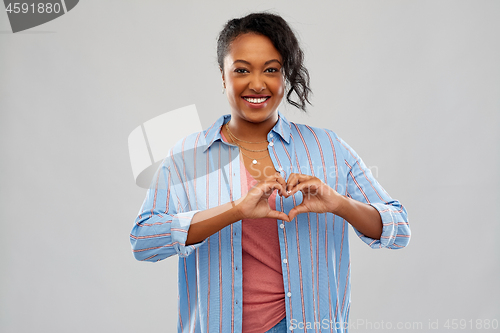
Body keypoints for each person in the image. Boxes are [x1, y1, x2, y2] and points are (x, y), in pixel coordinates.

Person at [130, 12, 410, 333]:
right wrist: (235, 211)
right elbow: (143, 240)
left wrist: (339, 204)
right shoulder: (186, 157)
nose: (257, 83)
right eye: (242, 70)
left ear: (285, 76)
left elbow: (399, 229)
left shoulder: (327, 147)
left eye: (271, 70)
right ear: (223, 77)